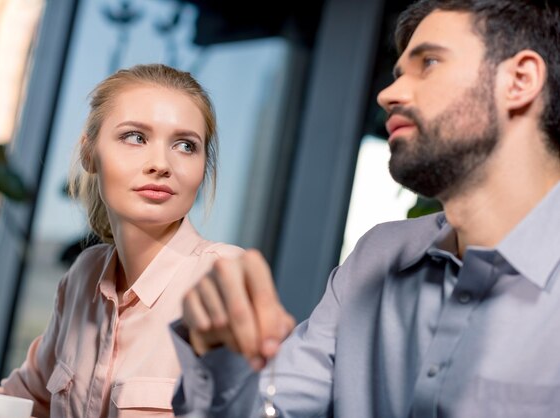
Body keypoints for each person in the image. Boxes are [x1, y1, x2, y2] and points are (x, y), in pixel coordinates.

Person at [169, 0, 560, 417]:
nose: (388, 95)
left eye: (428, 63)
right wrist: (221, 356)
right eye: (396, 74)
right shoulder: (376, 257)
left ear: (520, 80)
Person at [0, 63, 243, 417]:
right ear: (89, 152)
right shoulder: (84, 276)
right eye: (136, 137)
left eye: (186, 145)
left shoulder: (221, 278)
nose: (161, 163)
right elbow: (34, 401)